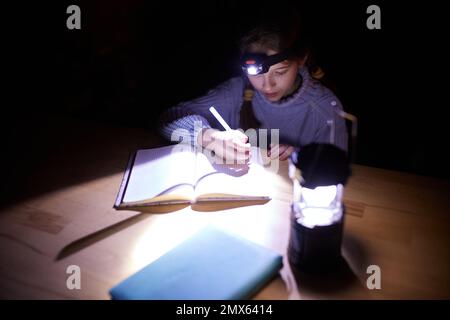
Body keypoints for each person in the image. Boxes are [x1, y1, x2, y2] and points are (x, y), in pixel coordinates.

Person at [158, 7, 348, 163]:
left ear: (302, 59)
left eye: (280, 72)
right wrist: (208, 136)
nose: (267, 85)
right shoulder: (235, 93)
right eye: (256, 73)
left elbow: (339, 165)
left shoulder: (325, 109)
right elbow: (169, 118)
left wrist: (302, 157)